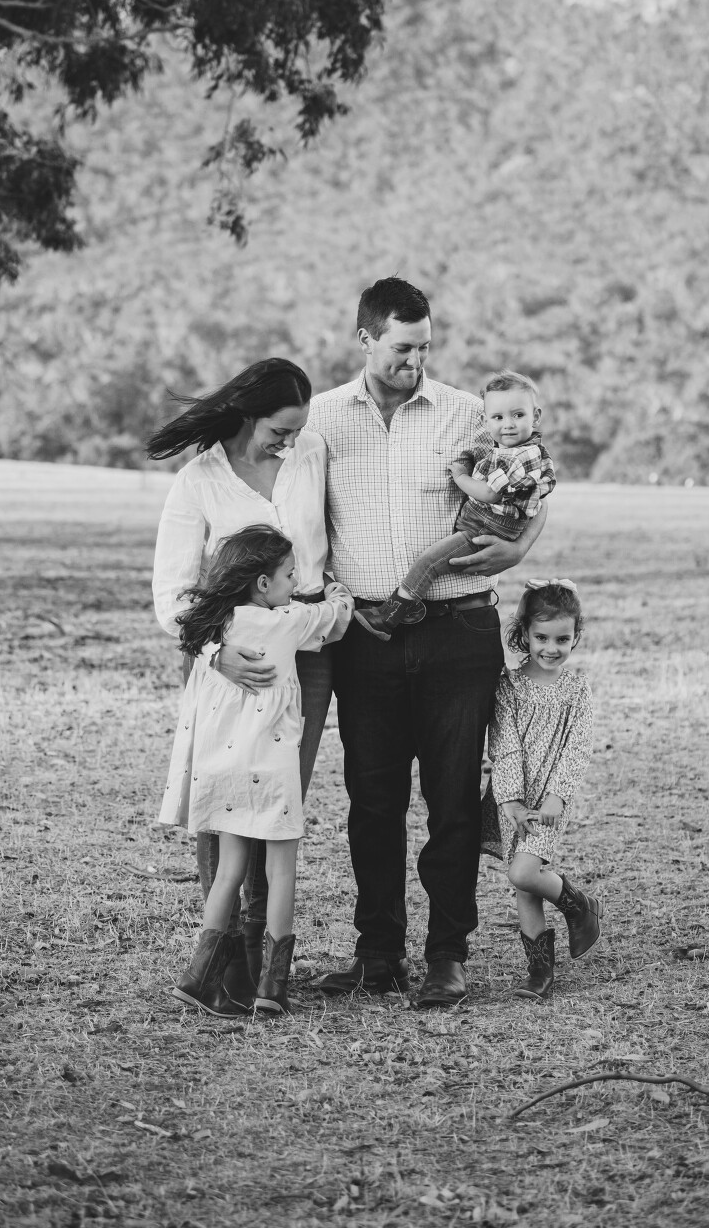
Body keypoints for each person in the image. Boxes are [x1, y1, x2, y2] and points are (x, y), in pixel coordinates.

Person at [307, 277, 548, 1009]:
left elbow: (533, 481)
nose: (415, 360)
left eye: (425, 348)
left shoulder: (468, 413)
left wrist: (521, 548)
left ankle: (448, 956)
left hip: (457, 630)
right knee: (371, 800)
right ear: (365, 339)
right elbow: (302, 519)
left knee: (452, 802)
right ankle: (377, 954)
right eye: (402, 347)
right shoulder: (322, 418)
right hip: (368, 635)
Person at [149, 358, 334, 1004]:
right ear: (248, 416)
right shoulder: (198, 482)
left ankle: (262, 961)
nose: (290, 441)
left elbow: (328, 546)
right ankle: (226, 969)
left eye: (297, 430)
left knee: (276, 800)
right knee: (225, 804)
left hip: (303, 650)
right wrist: (214, 652)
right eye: (279, 430)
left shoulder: (311, 454)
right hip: (226, 661)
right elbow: (172, 593)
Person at [163, 526, 353, 1016]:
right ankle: (272, 986)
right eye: (290, 575)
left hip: (226, 767)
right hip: (272, 769)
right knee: (281, 869)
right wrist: (336, 591)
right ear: (264, 584)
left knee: (229, 871)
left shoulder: (217, 628)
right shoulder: (289, 620)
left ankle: (198, 976)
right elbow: (335, 620)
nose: (296, 582)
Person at [354, 369, 556, 639]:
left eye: (518, 415)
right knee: (433, 560)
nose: (508, 424)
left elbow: (489, 493)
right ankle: (405, 607)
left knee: (429, 562)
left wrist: (461, 477)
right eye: (498, 417)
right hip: (484, 523)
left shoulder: (520, 456)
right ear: (485, 420)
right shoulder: (511, 449)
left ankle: (389, 616)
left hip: (485, 529)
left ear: (536, 416)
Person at [480, 578, 601, 1002]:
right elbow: (505, 743)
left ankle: (579, 905)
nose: (552, 648)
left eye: (563, 639)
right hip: (515, 800)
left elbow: (577, 749)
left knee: (524, 872)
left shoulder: (576, 690)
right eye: (542, 638)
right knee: (524, 886)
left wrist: (556, 796)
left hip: (550, 801)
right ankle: (540, 971)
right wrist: (511, 801)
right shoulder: (509, 686)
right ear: (525, 635)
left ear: (575, 636)